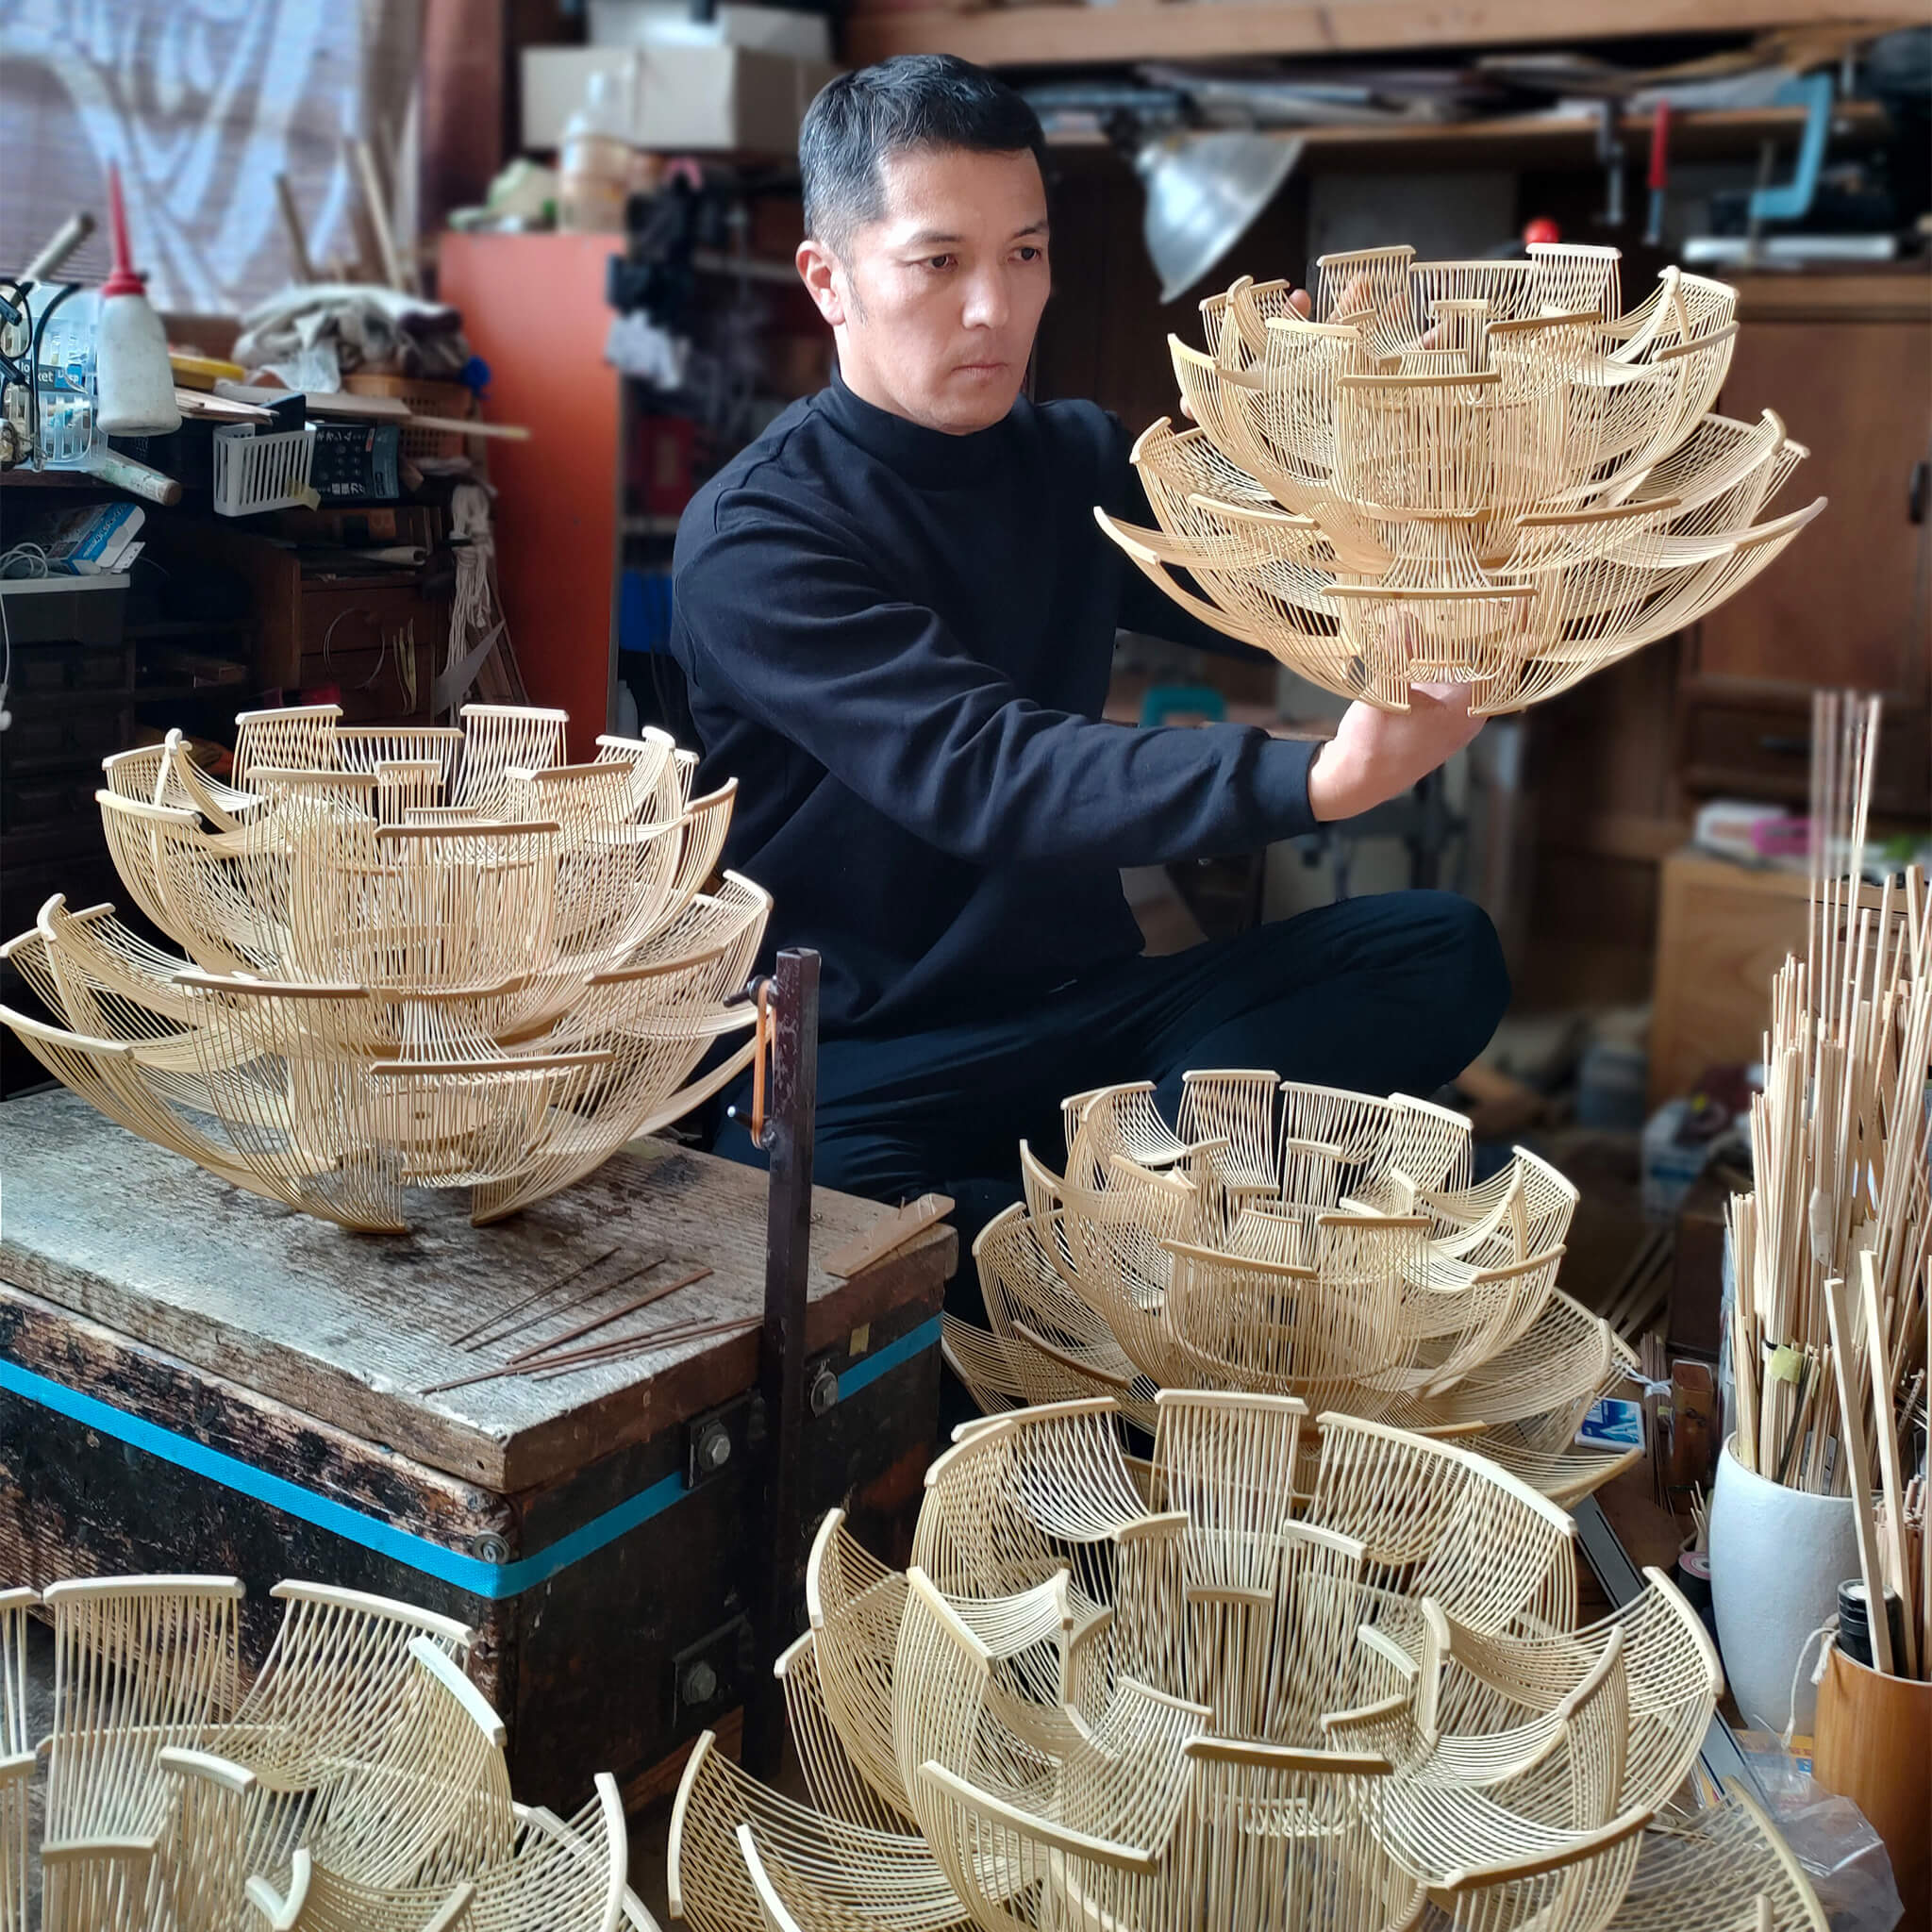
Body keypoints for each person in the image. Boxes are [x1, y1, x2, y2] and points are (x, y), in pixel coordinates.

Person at [669, 55, 1509, 1296]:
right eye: (939, 262)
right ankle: (1132, 1238)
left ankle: (1130, 1213)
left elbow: (1287, 582)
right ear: (828, 281)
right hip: (869, 1052)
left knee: (1441, 950)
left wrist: (1426, 504)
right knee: (886, 1290)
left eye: (1025, 254)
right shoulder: (756, 538)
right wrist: (1316, 781)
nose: (993, 309)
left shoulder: (1074, 462)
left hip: (1083, 1019)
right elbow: (985, 769)